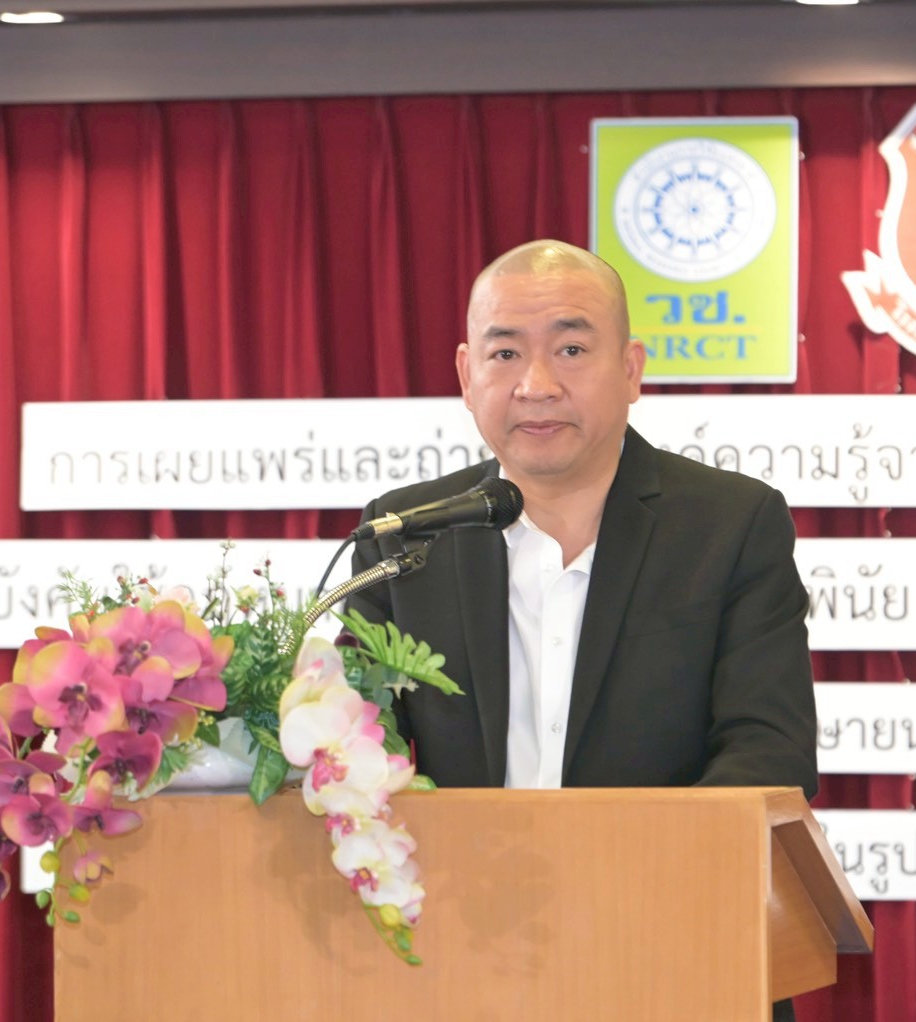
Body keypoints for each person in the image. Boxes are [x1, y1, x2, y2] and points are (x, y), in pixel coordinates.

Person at [349, 240, 815, 1020]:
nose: (537, 384)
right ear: (466, 374)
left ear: (631, 370)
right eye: (505, 352)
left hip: (674, 953)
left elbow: (768, 751)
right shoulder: (405, 534)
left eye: (570, 349)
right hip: (458, 963)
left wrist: (627, 891)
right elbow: (359, 744)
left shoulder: (731, 525)